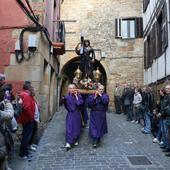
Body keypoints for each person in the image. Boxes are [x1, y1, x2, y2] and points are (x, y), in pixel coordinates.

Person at [17, 81, 36, 159]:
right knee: (26, 136)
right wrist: (31, 118)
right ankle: (23, 153)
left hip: (27, 119)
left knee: (26, 135)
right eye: (31, 87)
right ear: (28, 88)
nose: (32, 88)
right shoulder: (26, 95)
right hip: (28, 119)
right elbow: (27, 108)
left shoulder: (25, 94)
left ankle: (25, 152)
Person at [63, 84, 83, 150]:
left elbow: (79, 104)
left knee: (76, 128)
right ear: (68, 89)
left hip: (77, 114)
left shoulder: (79, 96)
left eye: (73, 88)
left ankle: (75, 139)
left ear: (75, 89)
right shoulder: (66, 97)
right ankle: (68, 143)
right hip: (70, 114)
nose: (71, 90)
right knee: (69, 128)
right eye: (70, 88)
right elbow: (65, 105)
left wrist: (76, 96)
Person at [0, 74, 14, 170]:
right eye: (3, 80)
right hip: (3, 124)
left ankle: (6, 165)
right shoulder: (4, 90)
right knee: (4, 146)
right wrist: (8, 103)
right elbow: (9, 115)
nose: (4, 81)